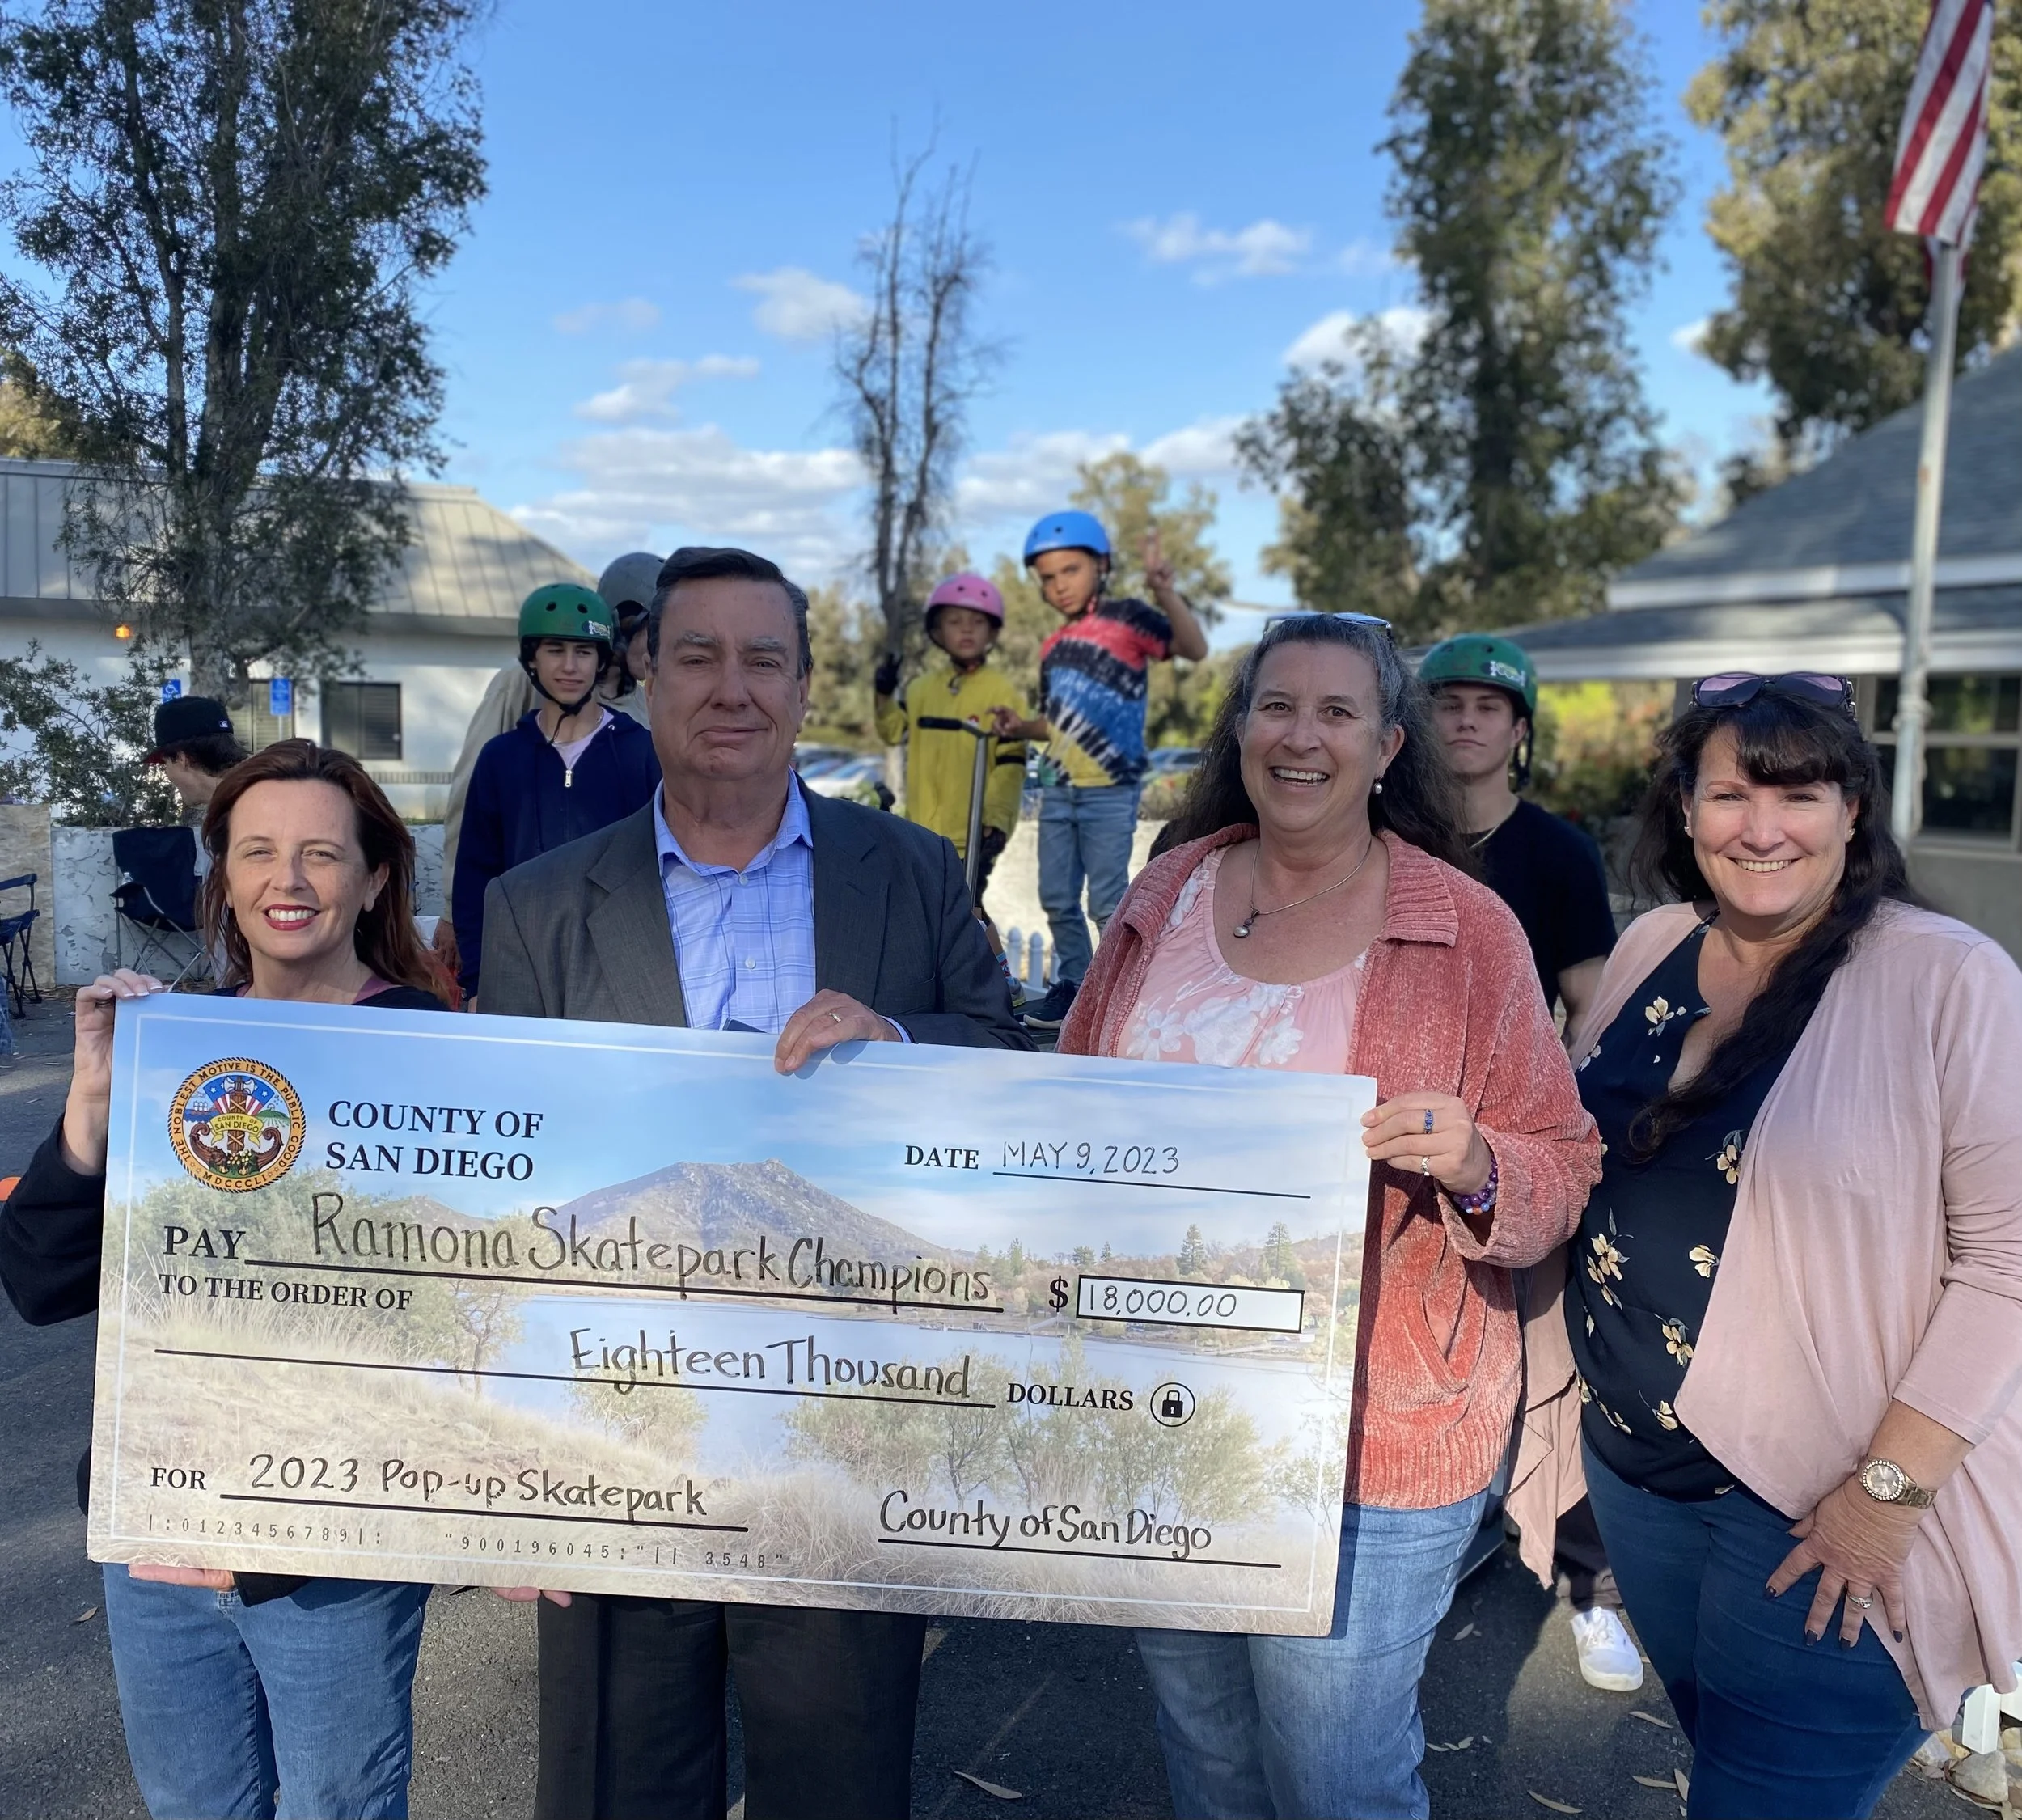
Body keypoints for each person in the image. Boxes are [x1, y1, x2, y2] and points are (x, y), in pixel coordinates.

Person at [476, 544, 1031, 1820]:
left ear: (804, 682)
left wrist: (898, 1044)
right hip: (611, 1435)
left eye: (764, 657)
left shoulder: (910, 873)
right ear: (644, 676)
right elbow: (508, 1174)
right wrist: (500, 1478)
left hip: (841, 1426)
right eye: (700, 655)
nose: (734, 687)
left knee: (834, 1781)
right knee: (622, 1781)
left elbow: (1008, 1058)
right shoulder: (538, 905)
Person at [1057, 612, 1602, 1820]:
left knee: (1336, 1775)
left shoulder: (1468, 929)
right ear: (1241, 727)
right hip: (1159, 1412)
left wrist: (1475, 1162)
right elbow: (1067, 1100)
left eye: (1337, 712)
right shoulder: (1164, 890)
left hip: (1374, 1432)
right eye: (1277, 705)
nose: (1302, 736)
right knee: (1204, 1740)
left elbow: (1562, 1160)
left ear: (1386, 743)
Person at [1511, 672, 2022, 1819]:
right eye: (1730, 791)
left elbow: (2009, 1263)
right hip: (1636, 1471)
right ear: (1684, 808)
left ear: (1853, 809)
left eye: (1799, 792)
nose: (1762, 826)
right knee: (1728, 1763)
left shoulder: (1950, 979)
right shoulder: (1650, 944)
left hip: (1816, 1499)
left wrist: (1885, 1494)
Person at [0, 739, 450, 1820]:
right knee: (195, 1803)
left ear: (375, 876)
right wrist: (94, 1106)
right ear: (222, 877)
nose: (285, 881)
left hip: (330, 1547)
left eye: (319, 854)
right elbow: (44, 1284)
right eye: (256, 851)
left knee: (334, 1804)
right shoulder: (176, 1040)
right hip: (160, 1530)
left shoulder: (433, 1049)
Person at [1420, 633, 1639, 1693]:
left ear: (1520, 730)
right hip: (1390, 1145)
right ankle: (1438, 1532)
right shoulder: (1382, 834)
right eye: (1446, 701)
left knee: (1562, 1361)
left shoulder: (1556, 851)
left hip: (1517, 1149)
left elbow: (1591, 1001)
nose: (1465, 720)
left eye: (1488, 705)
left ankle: (1593, 1586)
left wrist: (1577, 1135)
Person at [991, 513, 1208, 1029]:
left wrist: (1166, 593)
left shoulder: (1129, 619)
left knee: (1107, 898)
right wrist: (1020, 726)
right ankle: (1077, 984)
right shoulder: (1054, 648)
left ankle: (1120, 990)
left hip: (1110, 786)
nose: (1058, 584)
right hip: (1058, 788)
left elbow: (1194, 649)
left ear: (1101, 566)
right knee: (1056, 896)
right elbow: (1059, 723)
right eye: (1047, 577)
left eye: (1070, 570)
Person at [450, 582, 659, 1003]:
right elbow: (476, 875)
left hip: (615, 971)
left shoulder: (641, 752)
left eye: (583, 652)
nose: (569, 666)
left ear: (602, 660)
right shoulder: (501, 758)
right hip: (518, 965)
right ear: (532, 658)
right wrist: (476, 980)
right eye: (555, 650)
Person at [439, 552, 662, 888]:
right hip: (522, 901)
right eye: (654, 631)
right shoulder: (521, 684)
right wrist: (451, 907)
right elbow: (470, 799)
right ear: (626, 620)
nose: (660, 647)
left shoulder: (643, 715)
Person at [873, 570, 1029, 908]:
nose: (967, 629)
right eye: (955, 621)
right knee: (918, 917)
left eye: (977, 621)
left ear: (992, 631)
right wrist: (882, 694)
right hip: (919, 834)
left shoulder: (1001, 691)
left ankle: (990, 962)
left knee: (965, 919)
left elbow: (1011, 764)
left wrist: (998, 820)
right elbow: (891, 731)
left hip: (971, 838)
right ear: (937, 632)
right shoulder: (920, 689)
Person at [143, 694, 247, 827]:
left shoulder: (241, 819)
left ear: (182, 759)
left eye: (165, 763)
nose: (166, 773)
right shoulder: (252, 795)